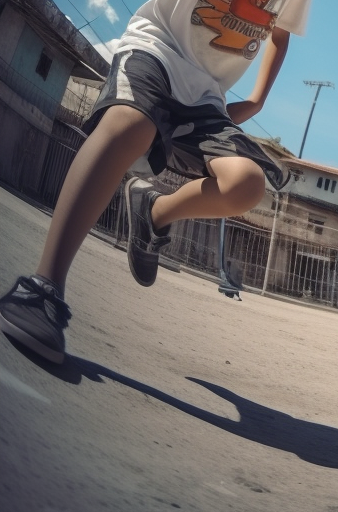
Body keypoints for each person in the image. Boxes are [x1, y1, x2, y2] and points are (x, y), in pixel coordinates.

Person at [0, 0, 312, 364]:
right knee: (131, 124)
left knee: (246, 184)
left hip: (207, 96)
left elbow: (281, 32)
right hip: (156, 50)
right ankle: (43, 286)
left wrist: (258, 100)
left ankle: (156, 211)